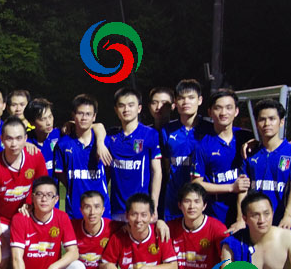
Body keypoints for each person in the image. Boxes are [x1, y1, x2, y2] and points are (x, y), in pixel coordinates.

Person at [0, 118, 47, 269]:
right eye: (9, 138)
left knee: (33, 259)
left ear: (26, 139)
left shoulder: (35, 156)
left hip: (27, 216)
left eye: (19, 138)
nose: (14, 144)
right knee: (2, 261)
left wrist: (31, 205)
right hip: (3, 220)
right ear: (2, 139)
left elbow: (44, 189)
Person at [238, 99, 291, 229]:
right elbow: (243, 188)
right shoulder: (249, 151)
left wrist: (288, 216)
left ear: (281, 122)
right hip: (255, 224)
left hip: (282, 223)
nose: (267, 123)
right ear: (256, 123)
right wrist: (240, 219)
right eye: (262, 119)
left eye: (272, 119)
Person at [191, 88, 253, 229]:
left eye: (229, 108)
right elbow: (196, 183)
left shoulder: (245, 138)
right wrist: (231, 188)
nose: (224, 113)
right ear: (210, 112)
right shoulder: (202, 146)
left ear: (236, 111)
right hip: (215, 212)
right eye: (218, 108)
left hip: (245, 213)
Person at [105, 87, 162, 221]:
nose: (126, 109)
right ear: (116, 110)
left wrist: (154, 204)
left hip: (141, 209)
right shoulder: (109, 136)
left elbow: (157, 172)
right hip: (116, 209)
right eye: (122, 106)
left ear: (139, 108)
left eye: (131, 105)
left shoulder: (150, 134)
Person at [160, 79, 213, 221]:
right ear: (175, 102)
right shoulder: (167, 130)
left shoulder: (210, 129)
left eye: (191, 97)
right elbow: (166, 165)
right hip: (174, 198)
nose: (186, 102)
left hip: (201, 200)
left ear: (200, 100)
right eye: (181, 98)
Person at [53, 94, 112, 221]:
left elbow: (109, 170)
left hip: (102, 210)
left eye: (88, 114)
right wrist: (73, 185)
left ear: (94, 117)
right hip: (75, 210)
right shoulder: (63, 144)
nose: (84, 118)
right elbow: (60, 173)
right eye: (80, 113)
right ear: (73, 115)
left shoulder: (104, 142)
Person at [25, 98, 61, 176]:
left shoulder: (59, 134)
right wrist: (22, 145)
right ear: (31, 122)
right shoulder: (25, 140)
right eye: (43, 119)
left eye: (50, 116)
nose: (49, 122)